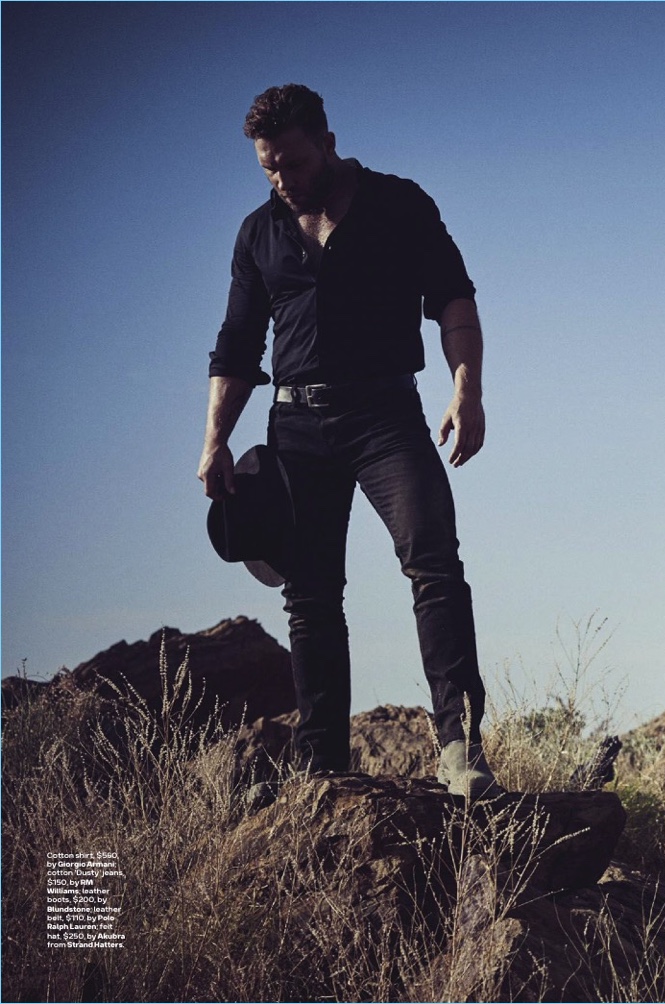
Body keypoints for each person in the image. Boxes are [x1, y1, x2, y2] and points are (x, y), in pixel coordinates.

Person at [197, 83, 500, 798]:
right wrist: (215, 441)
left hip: (385, 416)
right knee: (309, 595)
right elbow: (237, 345)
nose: (283, 180)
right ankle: (322, 769)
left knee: (433, 563)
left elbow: (454, 296)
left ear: (328, 144)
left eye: (294, 164)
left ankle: (459, 749)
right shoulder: (258, 233)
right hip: (295, 425)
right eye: (269, 168)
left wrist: (468, 389)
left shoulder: (400, 203)